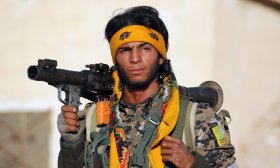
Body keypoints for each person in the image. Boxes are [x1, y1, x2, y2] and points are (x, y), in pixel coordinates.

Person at [57, 6, 237, 168]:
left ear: (160, 57)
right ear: (115, 60)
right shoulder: (95, 117)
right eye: (125, 50)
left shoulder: (198, 118)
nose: (135, 58)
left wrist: (192, 164)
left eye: (145, 48)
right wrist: (71, 141)